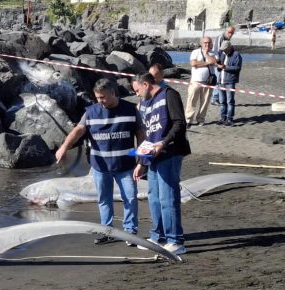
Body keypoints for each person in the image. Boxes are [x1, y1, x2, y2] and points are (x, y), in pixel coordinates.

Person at [55, 78, 144, 242]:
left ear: (112, 93)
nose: (100, 101)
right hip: (100, 166)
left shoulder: (131, 110)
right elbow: (78, 130)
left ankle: (130, 231)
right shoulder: (90, 112)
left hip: (125, 165)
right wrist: (64, 147)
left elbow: (141, 133)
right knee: (104, 199)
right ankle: (106, 231)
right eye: (97, 98)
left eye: (103, 97)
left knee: (130, 198)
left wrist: (141, 160)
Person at [131, 73, 191, 256]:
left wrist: (163, 143)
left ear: (146, 84)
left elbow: (180, 123)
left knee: (167, 197)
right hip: (153, 156)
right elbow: (147, 135)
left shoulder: (169, 94)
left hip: (170, 153)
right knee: (154, 197)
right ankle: (159, 236)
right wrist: (141, 162)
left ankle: (175, 240)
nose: (137, 95)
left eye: (137, 90)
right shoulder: (144, 104)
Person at [186, 36, 217, 127]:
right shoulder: (195, 52)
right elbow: (193, 63)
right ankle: (188, 120)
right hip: (195, 81)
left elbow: (214, 61)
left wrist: (206, 54)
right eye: (205, 42)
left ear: (211, 43)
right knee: (191, 101)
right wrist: (207, 63)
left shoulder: (213, 53)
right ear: (201, 43)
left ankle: (201, 119)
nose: (207, 44)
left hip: (208, 82)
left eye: (209, 42)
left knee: (205, 102)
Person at [215, 41, 243, 126]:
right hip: (221, 80)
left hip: (230, 81)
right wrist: (218, 65)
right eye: (223, 49)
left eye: (225, 49)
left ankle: (230, 119)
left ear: (229, 47)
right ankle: (223, 118)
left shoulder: (236, 55)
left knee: (230, 101)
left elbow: (237, 68)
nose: (224, 51)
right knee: (222, 101)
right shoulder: (223, 54)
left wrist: (225, 67)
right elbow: (220, 68)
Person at [212, 26, 236, 105]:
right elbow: (216, 52)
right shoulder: (220, 38)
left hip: (223, 63)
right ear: (226, 31)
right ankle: (215, 98)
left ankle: (218, 98)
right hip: (218, 63)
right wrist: (218, 64)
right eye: (229, 32)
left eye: (232, 33)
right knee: (218, 81)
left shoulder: (226, 39)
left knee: (221, 81)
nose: (230, 35)